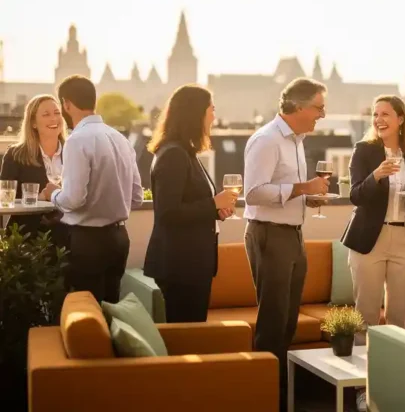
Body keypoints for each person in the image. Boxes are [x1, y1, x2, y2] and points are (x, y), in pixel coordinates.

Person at [243, 77, 329, 412]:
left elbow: (287, 190)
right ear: (298, 106)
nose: (322, 114)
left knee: (288, 321)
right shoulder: (266, 140)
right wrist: (303, 188)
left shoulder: (297, 140)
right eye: (319, 107)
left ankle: (283, 396)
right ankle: (266, 399)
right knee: (273, 322)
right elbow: (253, 193)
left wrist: (307, 197)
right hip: (269, 234)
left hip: (292, 234)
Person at [342, 95, 405, 412]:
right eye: (375, 114)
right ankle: (362, 390)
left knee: (399, 319)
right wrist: (376, 176)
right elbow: (355, 195)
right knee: (365, 316)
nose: (379, 119)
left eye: (386, 114)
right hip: (370, 239)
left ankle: (397, 386)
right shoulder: (364, 151)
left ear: (401, 119)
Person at [39, 75, 144, 304]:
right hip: (119, 239)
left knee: (87, 312)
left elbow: (74, 199)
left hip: (88, 242)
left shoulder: (77, 140)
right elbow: (136, 197)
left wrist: (53, 193)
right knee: (112, 312)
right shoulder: (121, 139)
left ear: (66, 104)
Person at [143, 85, 238, 323]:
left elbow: (191, 203)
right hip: (181, 266)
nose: (214, 116)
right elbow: (168, 213)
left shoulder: (186, 152)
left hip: (192, 265)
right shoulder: (173, 154)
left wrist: (217, 210)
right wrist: (213, 203)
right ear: (195, 113)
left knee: (194, 333)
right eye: (211, 109)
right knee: (187, 337)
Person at [1, 94, 67, 246]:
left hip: (68, 239)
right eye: (46, 115)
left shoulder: (75, 152)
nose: (53, 119)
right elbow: (5, 200)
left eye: (57, 113)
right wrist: (39, 197)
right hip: (26, 240)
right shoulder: (15, 155)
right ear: (33, 123)